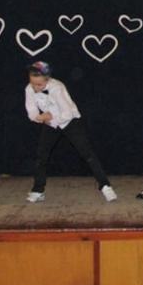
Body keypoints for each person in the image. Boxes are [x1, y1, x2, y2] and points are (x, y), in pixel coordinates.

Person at [24, 61, 117, 202]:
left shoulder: (57, 87)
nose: (36, 88)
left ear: (48, 79)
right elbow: (31, 112)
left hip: (70, 121)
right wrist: (41, 117)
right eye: (33, 84)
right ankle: (38, 190)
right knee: (41, 155)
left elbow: (67, 113)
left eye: (39, 85)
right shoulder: (29, 89)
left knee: (87, 153)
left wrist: (50, 117)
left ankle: (105, 186)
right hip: (50, 123)